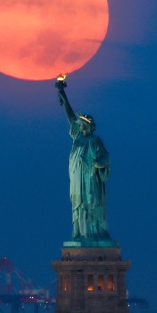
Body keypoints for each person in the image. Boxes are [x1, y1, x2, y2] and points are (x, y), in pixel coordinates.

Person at [56, 77, 112, 242]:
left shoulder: (95, 141)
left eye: (83, 124)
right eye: (80, 124)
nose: (80, 125)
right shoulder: (77, 138)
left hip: (90, 179)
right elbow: (70, 116)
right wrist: (62, 93)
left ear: (88, 126)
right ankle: (80, 233)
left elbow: (104, 157)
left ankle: (93, 233)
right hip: (76, 178)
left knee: (90, 203)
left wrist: (99, 163)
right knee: (78, 205)